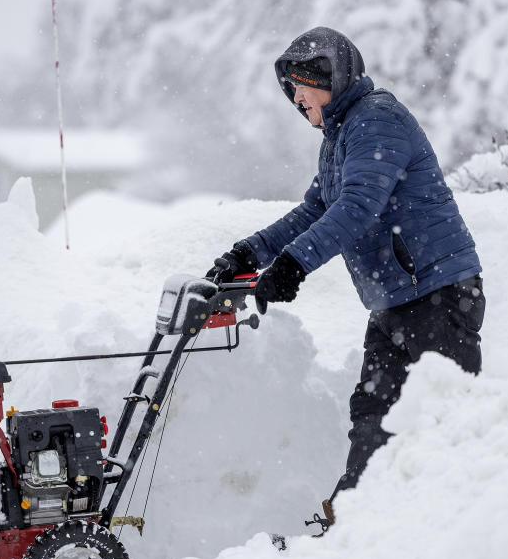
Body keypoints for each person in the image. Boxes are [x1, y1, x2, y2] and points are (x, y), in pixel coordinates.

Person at [207, 27, 485, 532]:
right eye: (291, 88)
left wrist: (292, 265)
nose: (296, 98)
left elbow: (357, 208)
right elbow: (315, 209)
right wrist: (248, 252)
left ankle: (450, 533)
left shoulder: (376, 120)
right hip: (396, 300)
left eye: (303, 86)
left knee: (444, 425)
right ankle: (354, 525)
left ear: (332, 78)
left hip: (437, 294)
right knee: (372, 413)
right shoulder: (340, 134)